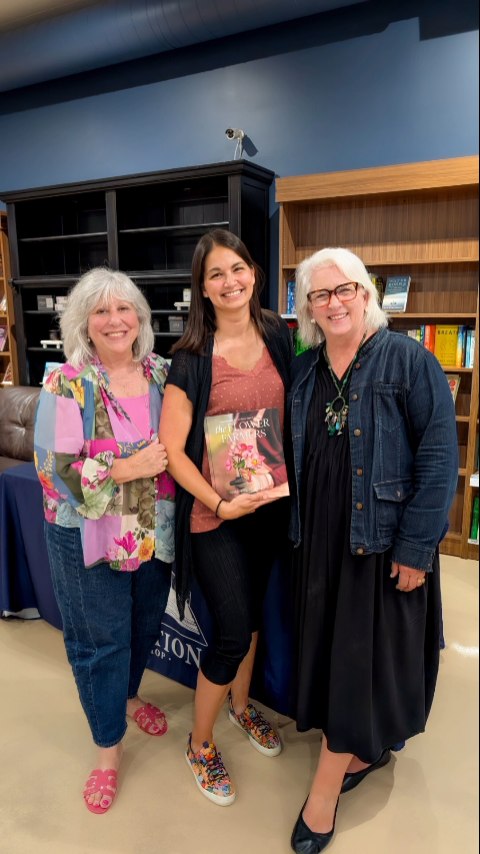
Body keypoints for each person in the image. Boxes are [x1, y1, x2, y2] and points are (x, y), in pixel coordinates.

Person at [287, 247, 458, 853]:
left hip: (380, 539)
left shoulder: (408, 360)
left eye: (344, 290)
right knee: (340, 655)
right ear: (307, 307)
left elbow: (440, 458)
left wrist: (417, 548)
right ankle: (363, 749)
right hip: (320, 541)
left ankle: (323, 794)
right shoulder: (305, 370)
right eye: (320, 295)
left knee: (363, 660)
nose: (334, 303)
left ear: (366, 294)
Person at [34, 267, 175, 815]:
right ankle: (107, 754)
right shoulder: (66, 382)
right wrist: (128, 467)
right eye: (101, 311)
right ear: (83, 324)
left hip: (153, 529)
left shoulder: (165, 374)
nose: (115, 320)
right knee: (100, 642)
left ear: (140, 318)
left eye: (125, 309)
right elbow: (55, 471)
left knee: (142, 626)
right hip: (84, 533)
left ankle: (132, 694)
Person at [159, 229, 293, 806]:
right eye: (216, 274)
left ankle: (241, 710)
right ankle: (201, 743)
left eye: (237, 269)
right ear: (203, 289)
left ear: (253, 273)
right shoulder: (189, 357)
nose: (230, 281)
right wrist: (217, 503)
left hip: (267, 508)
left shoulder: (278, 334)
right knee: (232, 632)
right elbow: (171, 449)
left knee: (256, 622)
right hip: (214, 516)